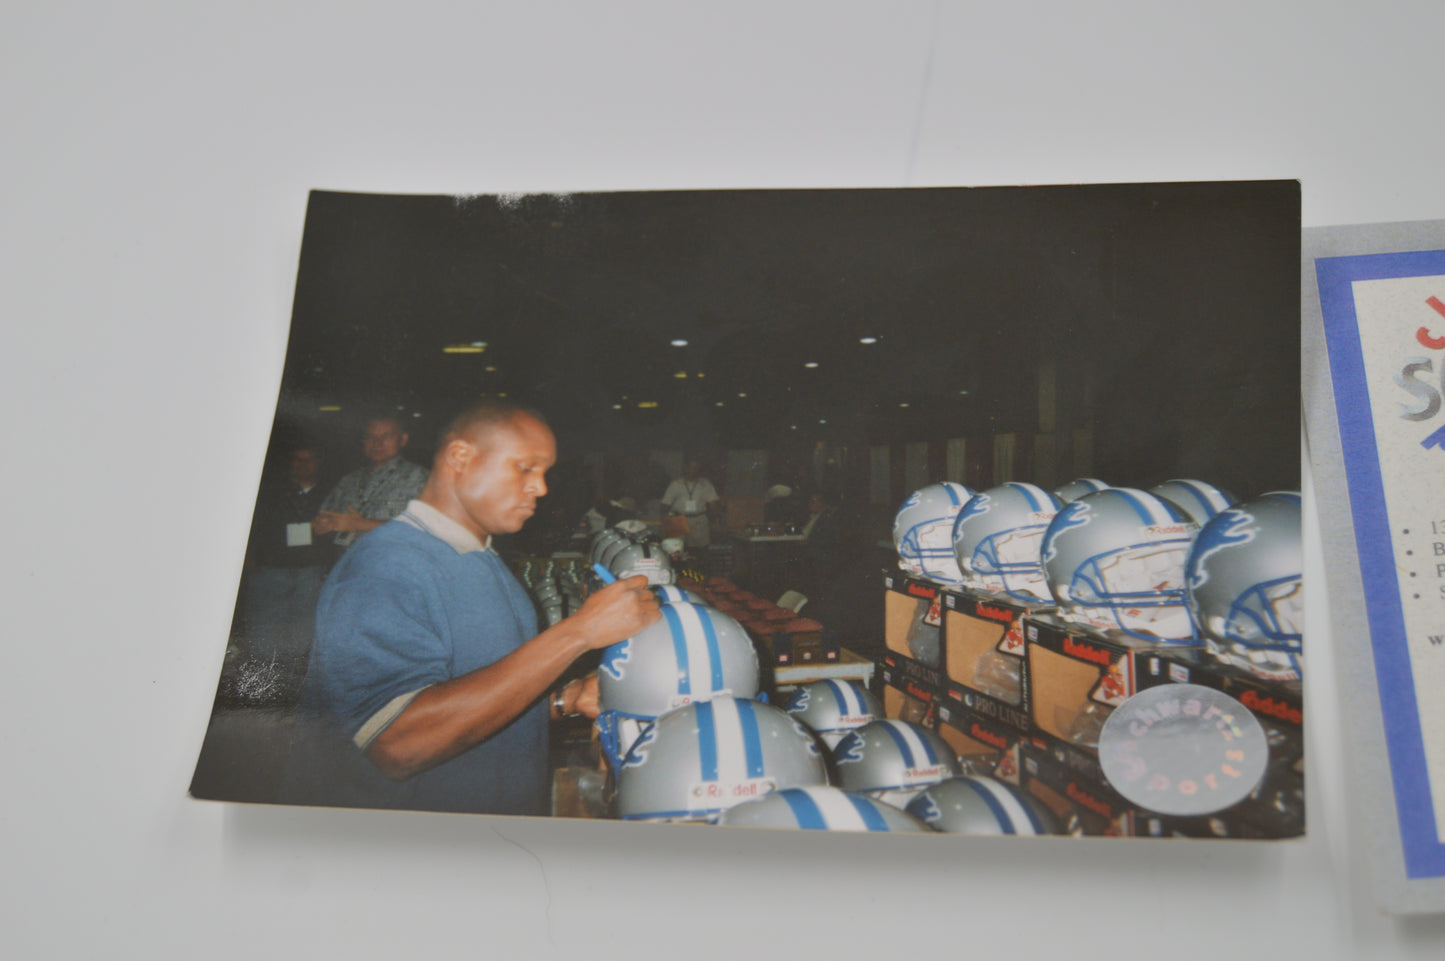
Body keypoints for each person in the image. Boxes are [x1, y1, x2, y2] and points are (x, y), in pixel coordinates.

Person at [287, 401, 660, 815]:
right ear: (460, 457)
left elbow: (476, 695)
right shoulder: (384, 566)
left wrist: (562, 700)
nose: (541, 488)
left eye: (544, 472)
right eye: (526, 468)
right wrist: (578, 633)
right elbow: (396, 743)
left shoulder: (482, 559)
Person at [237, 443, 329, 700]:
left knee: (301, 636)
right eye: (297, 459)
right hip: (270, 570)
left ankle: (290, 696)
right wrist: (248, 556)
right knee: (264, 634)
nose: (303, 465)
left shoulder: (331, 493)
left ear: (319, 462)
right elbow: (248, 523)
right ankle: (262, 694)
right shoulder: (268, 490)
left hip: (310, 573)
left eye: (309, 459)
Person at [312, 414, 429, 556]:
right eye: (370, 437)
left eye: (386, 437)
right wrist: (324, 526)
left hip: (392, 566)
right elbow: (325, 525)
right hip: (346, 565)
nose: (377, 443)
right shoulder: (348, 481)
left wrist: (360, 524)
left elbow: (425, 529)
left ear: (403, 439)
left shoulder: (420, 477)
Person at [660, 457, 720, 549]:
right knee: (675, 550)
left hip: (698, 520)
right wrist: (665, 518)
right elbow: (665, 503)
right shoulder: (676, 484)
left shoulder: (705, 484)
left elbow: (713, 504)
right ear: (685, 468)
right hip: (678, 519)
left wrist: (715, 521)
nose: (693, 471)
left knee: (698, 551)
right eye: (691, 467)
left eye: (696, 468)